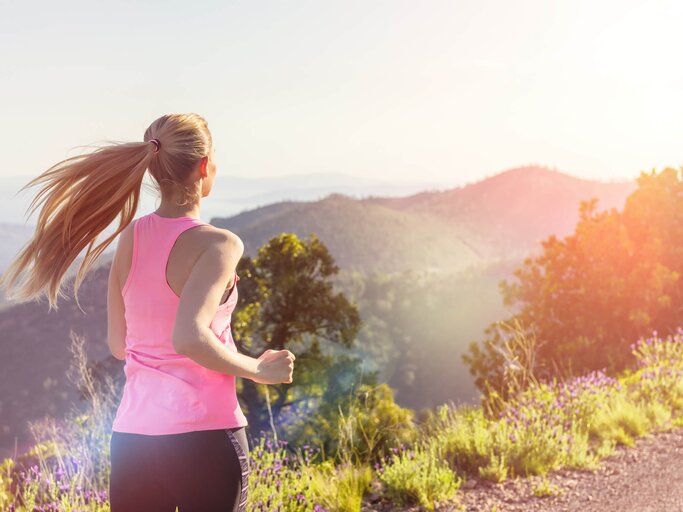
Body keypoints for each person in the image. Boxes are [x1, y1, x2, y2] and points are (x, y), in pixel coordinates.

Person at [0, 113, 295, 511]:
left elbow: (120, 345)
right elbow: (189, 336)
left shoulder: (130, 238)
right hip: (206, 436)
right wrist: (259, 369)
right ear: (205, 166)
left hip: (134, 442)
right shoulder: (220, 245)